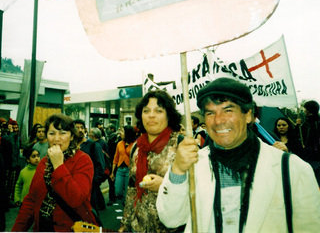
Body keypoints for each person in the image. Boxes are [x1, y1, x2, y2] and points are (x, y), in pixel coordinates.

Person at [156, 77, 320, 232]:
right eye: (210, 113)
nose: (218, 120)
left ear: (248, 115)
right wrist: (177, 169)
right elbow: (171, 219)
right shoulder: (193, 166)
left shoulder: (292, 169)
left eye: (228, 110)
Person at [11, 113, 98, 232]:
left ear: (72, 136)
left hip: (70, 227)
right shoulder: (43, 162)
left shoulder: (83, 160)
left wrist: (58, 165)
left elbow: (76, 199)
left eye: (62, 133)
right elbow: (31, 200)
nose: (57, 138)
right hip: (43, 226)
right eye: (52, 133)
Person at [119, 90, 183, 233]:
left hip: (172, 228)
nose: (151, 115)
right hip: (138, 226)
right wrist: (125, 224)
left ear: (169, 115)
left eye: (158, 110)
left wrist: (165, 185)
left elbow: (197, 192)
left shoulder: (181, 145)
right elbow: (131, 189)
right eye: (146, 111)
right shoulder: (137, 146)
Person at [74, 119, 105, 213]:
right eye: (77, 128)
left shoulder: (93, 145)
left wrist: (94, 183)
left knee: (90, 213)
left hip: (90, 188)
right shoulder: (70, 146)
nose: (80, 130)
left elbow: (100, 166)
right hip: (74, 187)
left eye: (82, 128)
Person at [110, 125, 136, 205]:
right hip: (120, 170)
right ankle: (123, 199)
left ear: (127, 133)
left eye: (122, 131)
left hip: (129, 170)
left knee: (127, 190)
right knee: (118, 190)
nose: (120, 133)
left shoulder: (134, 144)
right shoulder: (119, 144)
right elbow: (116, 158)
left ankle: (126, 204)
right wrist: (112, 172)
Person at [296, 100, 320, 185]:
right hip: (306, 155)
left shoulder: (317, 123)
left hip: (315, 157)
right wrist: (298, 126)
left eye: (305, 108)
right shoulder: (305, 123)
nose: (304, 110)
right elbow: (298, 136)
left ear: (309, 110)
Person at [1, 119, 21, 208]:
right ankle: (5, 201)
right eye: (13, 127)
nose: (15, 129)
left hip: (13, 164)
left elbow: (17, 150)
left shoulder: (16, 136)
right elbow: (10, 144)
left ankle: (8, 200)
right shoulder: (6, 136)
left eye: (16, 128)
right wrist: (11, 132)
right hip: (7, 164)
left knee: (11, 184)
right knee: (6, 185)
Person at [105, 123, 120, 206]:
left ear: (112, 129)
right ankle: (114, 196)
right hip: (114, 161)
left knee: (112, 180)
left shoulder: (112, 138)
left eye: (108, 128)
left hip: (113, 162)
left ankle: (112, 198)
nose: (107, 130)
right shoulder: (113, 138)